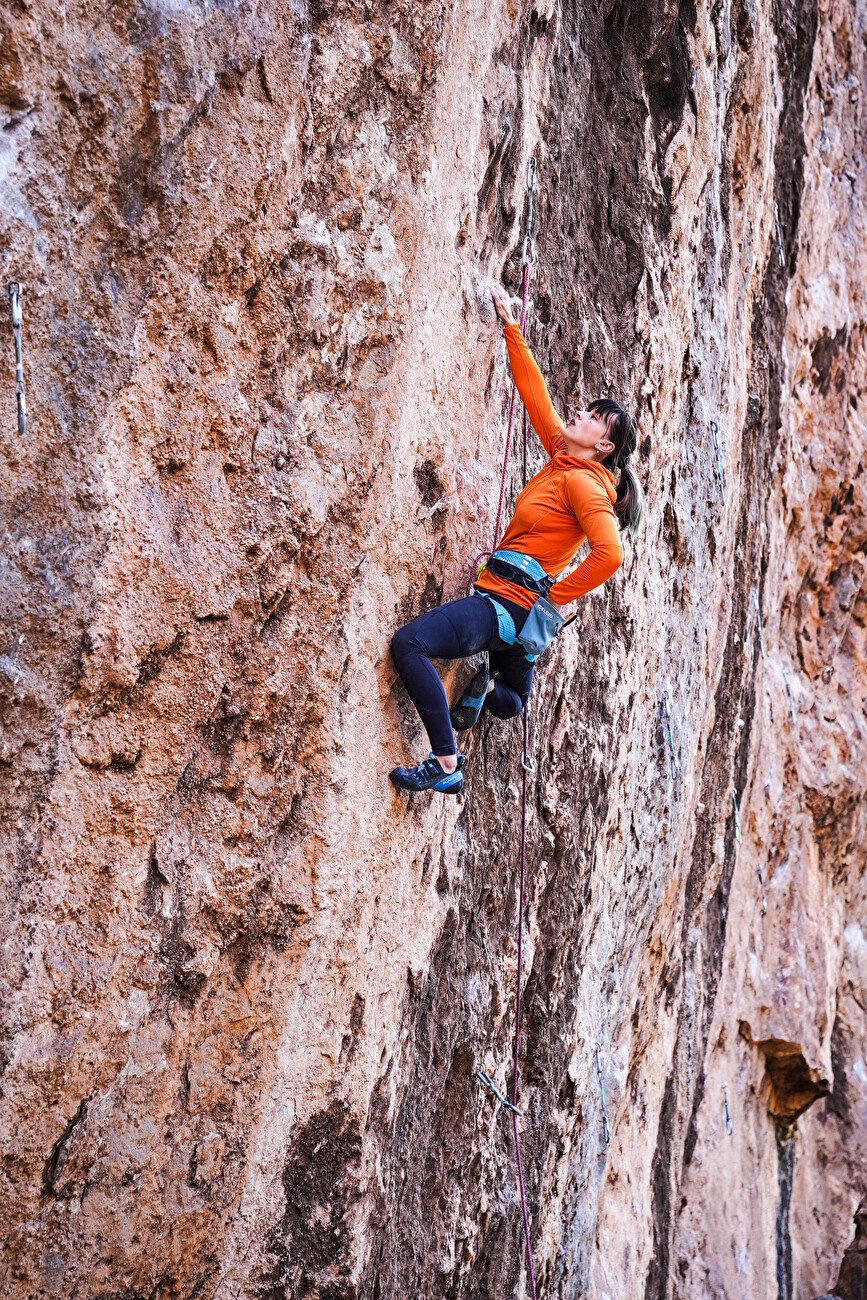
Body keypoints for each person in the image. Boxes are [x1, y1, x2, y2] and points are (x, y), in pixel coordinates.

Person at [388, 280, 645, 794]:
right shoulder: (564, 457)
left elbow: (611, 553)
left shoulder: (581, 482)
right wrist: (510, 324)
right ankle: (488, 695)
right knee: (511, 697)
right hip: (520, 626)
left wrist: (553, 597)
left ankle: (444, 765)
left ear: (605, 445)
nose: (582, 415)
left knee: (408, 644)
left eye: (594, 419)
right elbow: (535, 394)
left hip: (506, 607)